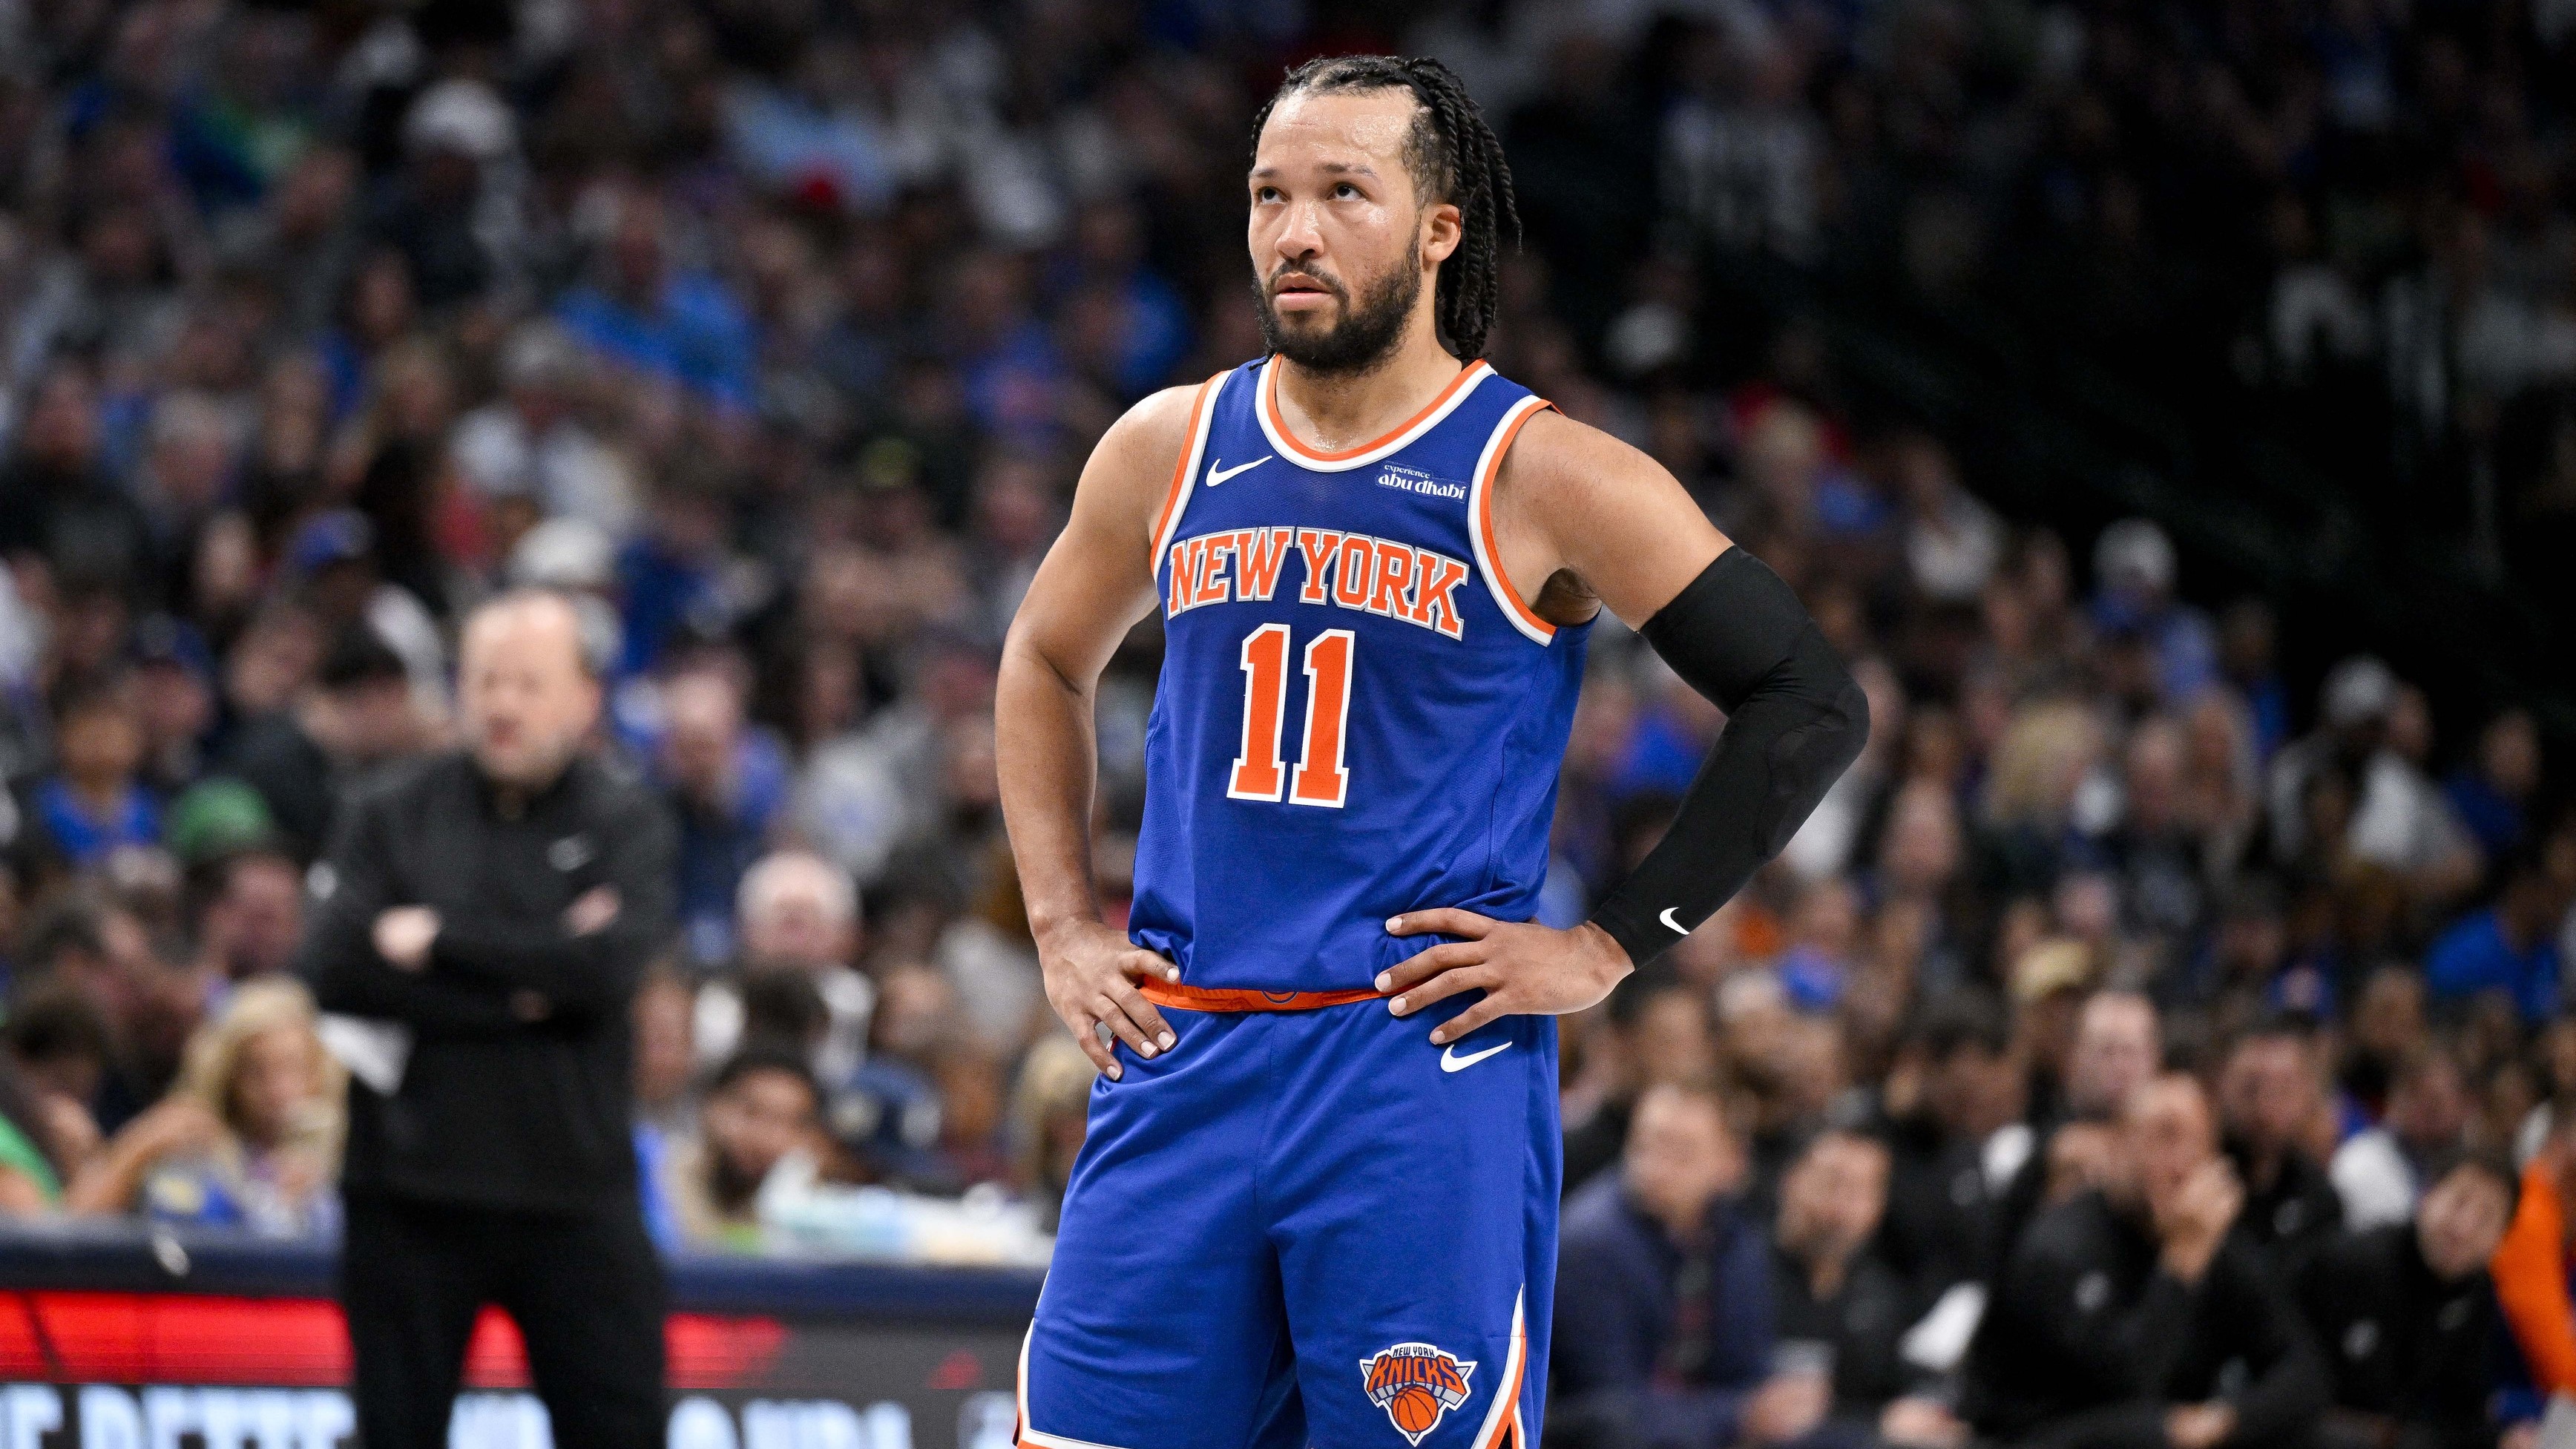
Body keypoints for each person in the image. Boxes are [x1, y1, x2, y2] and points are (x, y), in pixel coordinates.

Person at [993, 53, 1865, 1448]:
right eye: (1270, 195)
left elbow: (1807, 697)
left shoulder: (1542, 469)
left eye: (1345, 192)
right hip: (1183, 1047)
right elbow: (1043, 658)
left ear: (1439, 228)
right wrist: (1056, 924)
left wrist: (1609, 944)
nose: (1295, 231)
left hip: (1410, 1068)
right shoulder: (1168, 444)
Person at [297, 589, 677, 1449]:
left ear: (585, 698)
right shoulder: (386, 810)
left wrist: (439, 941)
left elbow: (608, 971)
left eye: (529, 684)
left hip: (578, 1195)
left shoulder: (626, 819)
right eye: (485, 682)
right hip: (409, 1198)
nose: (503, 705)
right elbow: (335, 970)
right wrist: (534, 985)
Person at [1962, 1073, 2327, 1449]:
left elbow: (2302, 1369)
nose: (2182, 1164)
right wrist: (2181, 1265)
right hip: (2045, 1432)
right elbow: (2126, 1387)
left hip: (2162, 1429)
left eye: (2200, 1144)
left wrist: (2226, 1421)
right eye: (2165, 1137)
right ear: (2118, 1147)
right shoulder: (2059, 1246)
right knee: (2152, 1433)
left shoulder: (2213, 1243)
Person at [1550, 1084, 1783, 1448]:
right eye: (1646, 1145)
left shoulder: (1737, 1241)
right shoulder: (1589, 1243)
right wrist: (1736, 1416)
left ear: (1731, 1163)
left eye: (1682, 1153)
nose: (1656, 1167)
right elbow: (1609, 1407)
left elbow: (1749, 1373)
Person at [65, 977, 343, 1236]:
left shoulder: (347, 1153)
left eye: (294, 1068)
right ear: (229, 1076)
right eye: (257, 1072)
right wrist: (141, 1147)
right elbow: (72, 1226)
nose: (278, 1090)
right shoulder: (195, 1146)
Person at [2296, 1154, 2515, 1449]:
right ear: (2427, 1195)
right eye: (2459, 1202)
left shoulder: (2478, 1295)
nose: (2464, 1229)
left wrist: (2501, 1439)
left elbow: (2467, 1409)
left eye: (2486, 1218)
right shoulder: (2351, 1263)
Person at [1769, 1128, 1960, 1448]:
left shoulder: (1877, 1294)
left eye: (1861, 1192)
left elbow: (1896, 1378)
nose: (1841, 1209)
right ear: (1790, 1180)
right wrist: (1876, 1424)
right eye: (1831, 1183)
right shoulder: (1740, 1275)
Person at [658, 1045, 823, 1251]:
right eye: (752, 1113)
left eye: (790, 1123)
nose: (769, 1139)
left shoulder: (810, 1202)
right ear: (710, 1106)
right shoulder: (658, 1178)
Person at [2216, 1019, 2344, 1277]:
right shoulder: (2197, 1187)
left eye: (2282, 1091)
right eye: (2251, 1088)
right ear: (2223, 1086)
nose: (2264, 1108)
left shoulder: (2320, 1198)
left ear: (2309, 1095)